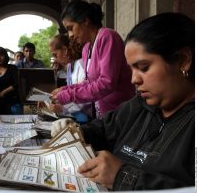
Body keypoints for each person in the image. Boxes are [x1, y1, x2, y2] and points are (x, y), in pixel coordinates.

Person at [51, 12, 194, 191]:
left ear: (183, 60)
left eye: (143, 68)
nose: (134, 80)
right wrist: (77, 131)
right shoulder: (140, 106)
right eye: (131, 69)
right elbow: (103, 129)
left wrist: (123, 176)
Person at [51, 0, 135, 119]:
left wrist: (69, 95)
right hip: (102, 115)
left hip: (120, 113)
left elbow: (107, 83)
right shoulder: (86, 49)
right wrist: (66, 89)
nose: (70, 35)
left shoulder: (107, 37)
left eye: (71, 28)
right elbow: (90, 82)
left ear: (85, 20)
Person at [48, 34, 91, 123]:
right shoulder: (69, 67)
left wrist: (63, 108)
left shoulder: (82, 65)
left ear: (65, 50)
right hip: (78, 114)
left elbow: (86, 96)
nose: (56, 59)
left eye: (55, 54)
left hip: (88, 116)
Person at [0, 47, 23, 115]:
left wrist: (4, 92)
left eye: (1, 55)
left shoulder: (12, 68)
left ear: (5, 56)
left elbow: (17, 83)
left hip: (10, 102)